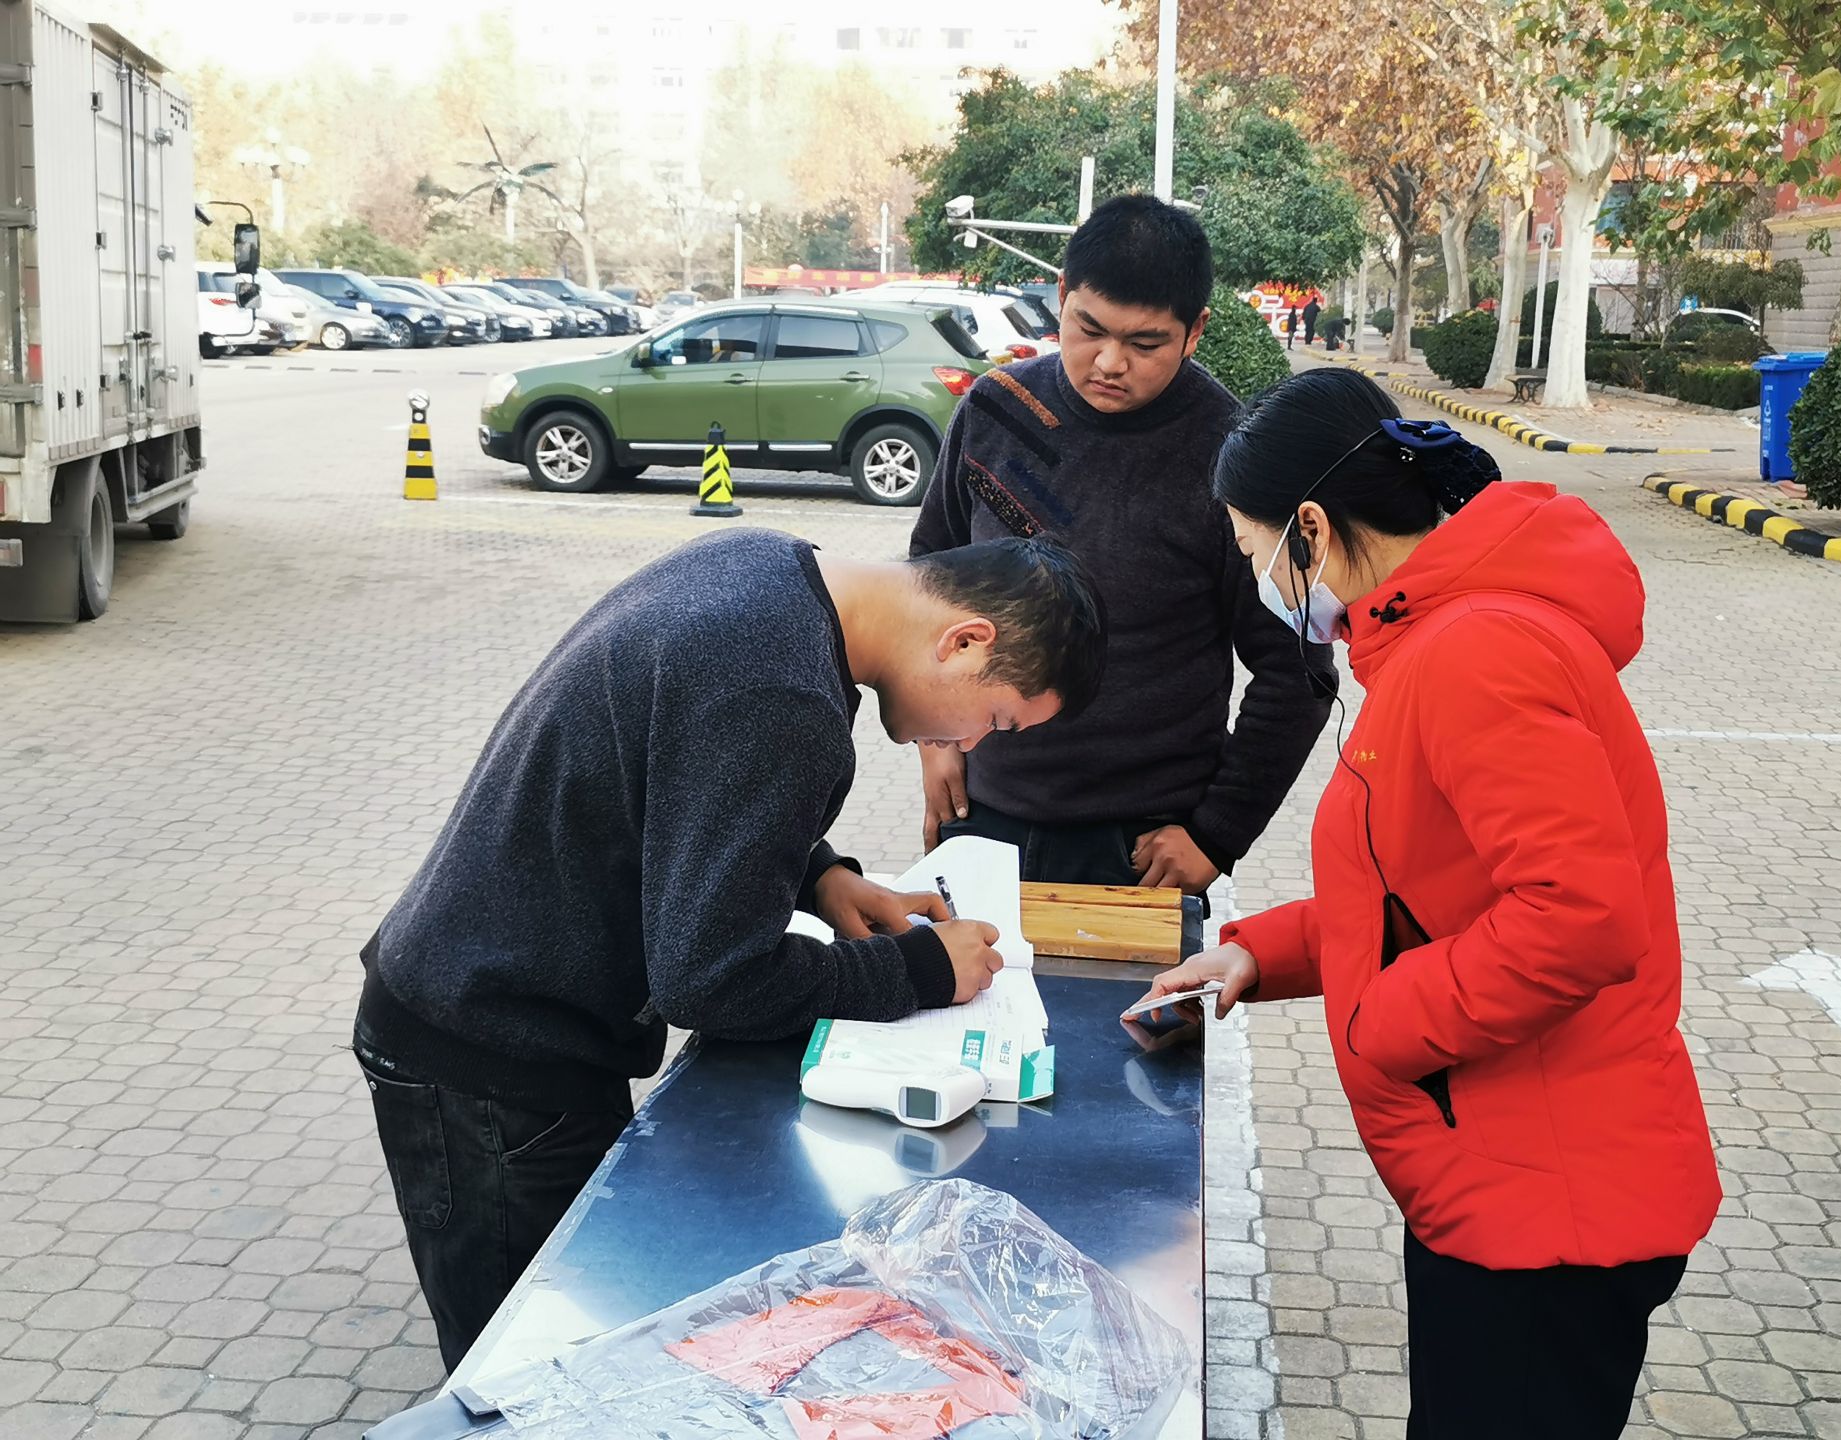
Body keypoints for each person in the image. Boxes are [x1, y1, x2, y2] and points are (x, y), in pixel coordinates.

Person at [355, 528, 1107, 1369]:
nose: (971, 745)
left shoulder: (771, 572)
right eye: (996, 717)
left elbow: (679, 780)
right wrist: (924, 969)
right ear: (966, 640)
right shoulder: (781, 689)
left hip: (481, 1001)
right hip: (489, 1061)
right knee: (527, 1380)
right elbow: (712, 980)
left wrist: (820, 876)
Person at [1138, 369, 1720, 1439]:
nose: (1259, 577)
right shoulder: (1424, 645)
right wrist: (1258, 955)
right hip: (1503, 1178)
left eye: (1250, 546)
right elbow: (1422, 897)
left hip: (1550, 1205)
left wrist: (1377, 1027)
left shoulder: (1473, 653)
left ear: (1309, 526)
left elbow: (1577, 916)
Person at [911, 194, 1333, 896]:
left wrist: (1217, 834)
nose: (1109, 362)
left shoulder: (1233, 460)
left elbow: (1301, 671)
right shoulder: (994, 413)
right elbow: (924, 593)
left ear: (1195, 331)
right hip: (980, 815)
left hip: (1143, 849)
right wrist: (933, 737)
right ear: (1061, 296)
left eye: (1145, 345)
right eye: (1089, 329)